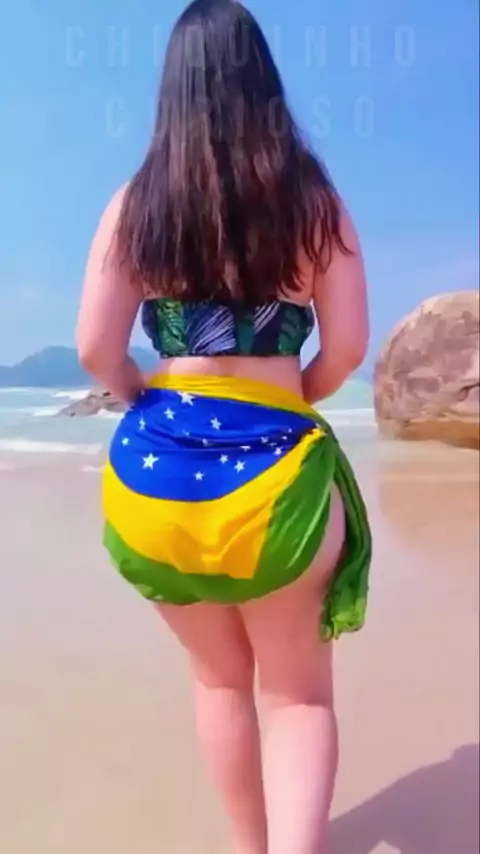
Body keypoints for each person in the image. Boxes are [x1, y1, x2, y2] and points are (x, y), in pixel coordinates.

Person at [76, 2, 371, 852]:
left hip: (154, 479)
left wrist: (142, 397)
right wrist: (293, 396)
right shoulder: (313, 202)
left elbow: (96, 349)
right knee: (299, 696)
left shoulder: (135, 204)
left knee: (217, 683)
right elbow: (347, 347)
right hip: (276, 482)